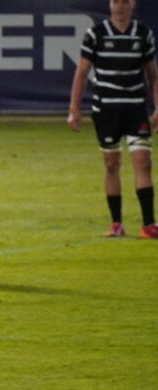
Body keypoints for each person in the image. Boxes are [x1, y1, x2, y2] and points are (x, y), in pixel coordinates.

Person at [68, 0, 158, 239]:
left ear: (133, 5)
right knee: (111, 164)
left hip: (135, 109)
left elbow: (153, 76)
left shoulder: (142, 34)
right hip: (106, 110)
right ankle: (116, 223)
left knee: (143, 162)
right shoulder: (95, 35)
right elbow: (82, 73)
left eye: (125, 1)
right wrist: (74, 108)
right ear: (110, 5)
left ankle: (149, 224)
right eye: (116, 1)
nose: (120, 6)